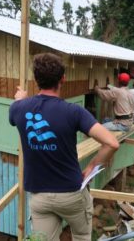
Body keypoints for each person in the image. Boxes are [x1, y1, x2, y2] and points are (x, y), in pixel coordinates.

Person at [9, 53, 119, 241]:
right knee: (81, 236)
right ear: (63, 79)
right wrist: (92, 166)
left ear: (36, 80)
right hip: (71, 194)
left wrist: (20, 99)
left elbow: (16, 110)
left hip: (39, 196)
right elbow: (112, 142)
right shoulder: (74, 112)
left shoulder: (18, 108)